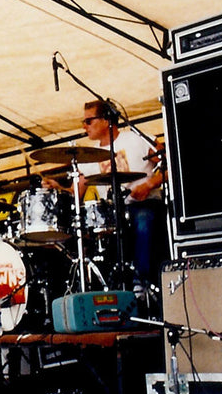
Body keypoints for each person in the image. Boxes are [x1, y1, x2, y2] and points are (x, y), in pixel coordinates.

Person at [44, 100, 166, 287]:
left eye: (89, 121)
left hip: (144, 203)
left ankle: (142, 283)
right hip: (113, 213)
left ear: (107, 119)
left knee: (142, 219)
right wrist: (57, 188)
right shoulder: (88, 156)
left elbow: (171, 164)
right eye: (83, 122)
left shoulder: (137, 139)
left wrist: (149, 184)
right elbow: (76, 192)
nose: (84, 126)